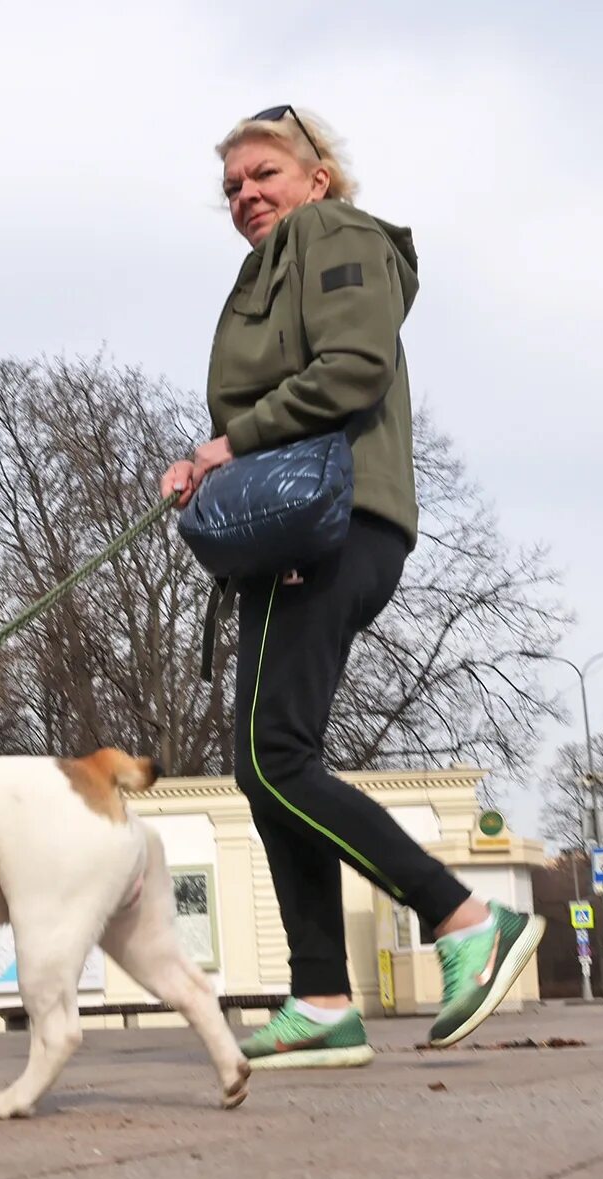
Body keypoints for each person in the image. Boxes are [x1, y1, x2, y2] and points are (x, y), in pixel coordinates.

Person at [160, 106, 543, 1069]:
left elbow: (355, 366)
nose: (247, 194)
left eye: (265, 174)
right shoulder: (271, 265)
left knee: (274, 755)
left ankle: (461, 919)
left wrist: (225, 446)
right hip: (295, 531)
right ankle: (323, 994)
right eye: (233, 187)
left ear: (316, 177)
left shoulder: (332, 235)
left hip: (331, 523)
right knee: (272, 760)